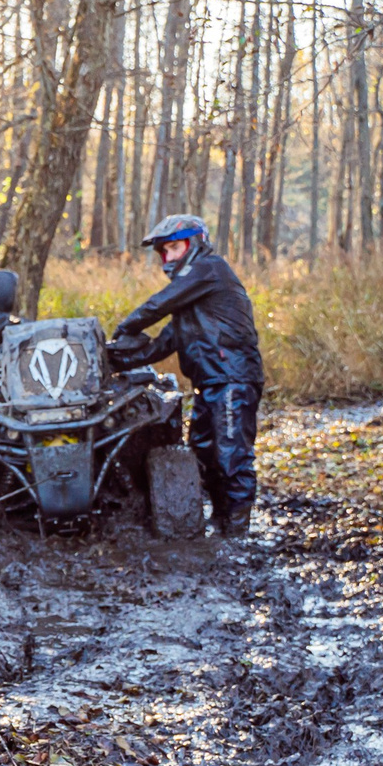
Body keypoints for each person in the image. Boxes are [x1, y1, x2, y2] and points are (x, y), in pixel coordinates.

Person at [109, 213, 266, 537]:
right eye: (163, 251)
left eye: (175, 248)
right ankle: (220, 522)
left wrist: (125, 327)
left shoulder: (210, 269)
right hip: (210, 383)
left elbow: (158, 304)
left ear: (194, 244)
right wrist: (111, 358)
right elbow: (160, 345)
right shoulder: (191, 300)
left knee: (231, 455)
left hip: (232, 380)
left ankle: (237, 533)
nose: (168, 257)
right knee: (203, 451)